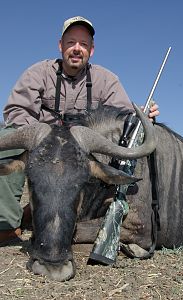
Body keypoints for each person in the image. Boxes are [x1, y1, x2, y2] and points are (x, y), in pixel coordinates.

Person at [0, 16, 159, 243]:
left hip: (82, 155)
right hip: (45, 151)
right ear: (60, 45)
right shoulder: (38, 72)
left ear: (91, 50)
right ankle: (6, 224)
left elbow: (123, 119)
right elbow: (17, 111)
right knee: (6, 140)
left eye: (83, 44)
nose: (77, 49)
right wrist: (45, 140)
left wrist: (143, 116)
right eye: (71, 42)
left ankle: (43, 214)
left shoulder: (107, 79)